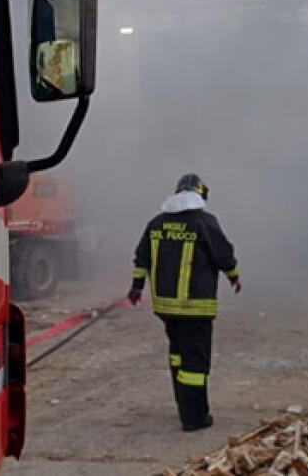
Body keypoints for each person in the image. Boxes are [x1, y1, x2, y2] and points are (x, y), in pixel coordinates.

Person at [128, 174, 240, 431]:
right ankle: (194, 418)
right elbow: (224, 254)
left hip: (166, 309)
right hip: (195, 308)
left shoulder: (156, 223)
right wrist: (234, 277)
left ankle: (184, 406)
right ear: (199, 195)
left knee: (178, 356)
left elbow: (141, 258)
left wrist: (136, 288)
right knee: (195, 365)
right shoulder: (205, 222)